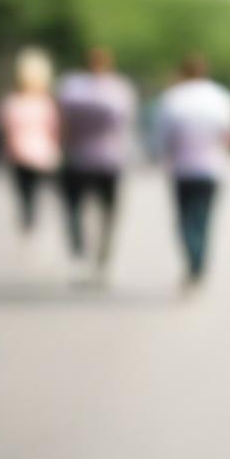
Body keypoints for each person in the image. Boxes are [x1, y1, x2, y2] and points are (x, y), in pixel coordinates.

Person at [153, 53, 230, 293]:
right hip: (212, 168)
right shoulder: (221, 98)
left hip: (182, 169)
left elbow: (163, 138)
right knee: (204, 218)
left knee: (184, 219)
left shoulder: (173, 98)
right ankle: (199, 263)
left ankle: (193, 263)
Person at [55, 45, 137, 283]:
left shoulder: (71, 88)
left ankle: (82, 254)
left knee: (75, 210)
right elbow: (125, 124)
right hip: (109, 159)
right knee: (108, 213)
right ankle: (102, 257)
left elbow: (62, 122)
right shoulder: (119, 89)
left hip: (78, 157)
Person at [0, 46, 62, 260]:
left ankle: (30, 224)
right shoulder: (27, 102)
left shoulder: (30, 102)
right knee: (29, 194)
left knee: (30, 194)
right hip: (31, 154)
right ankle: (30, 224)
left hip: (34, 154)